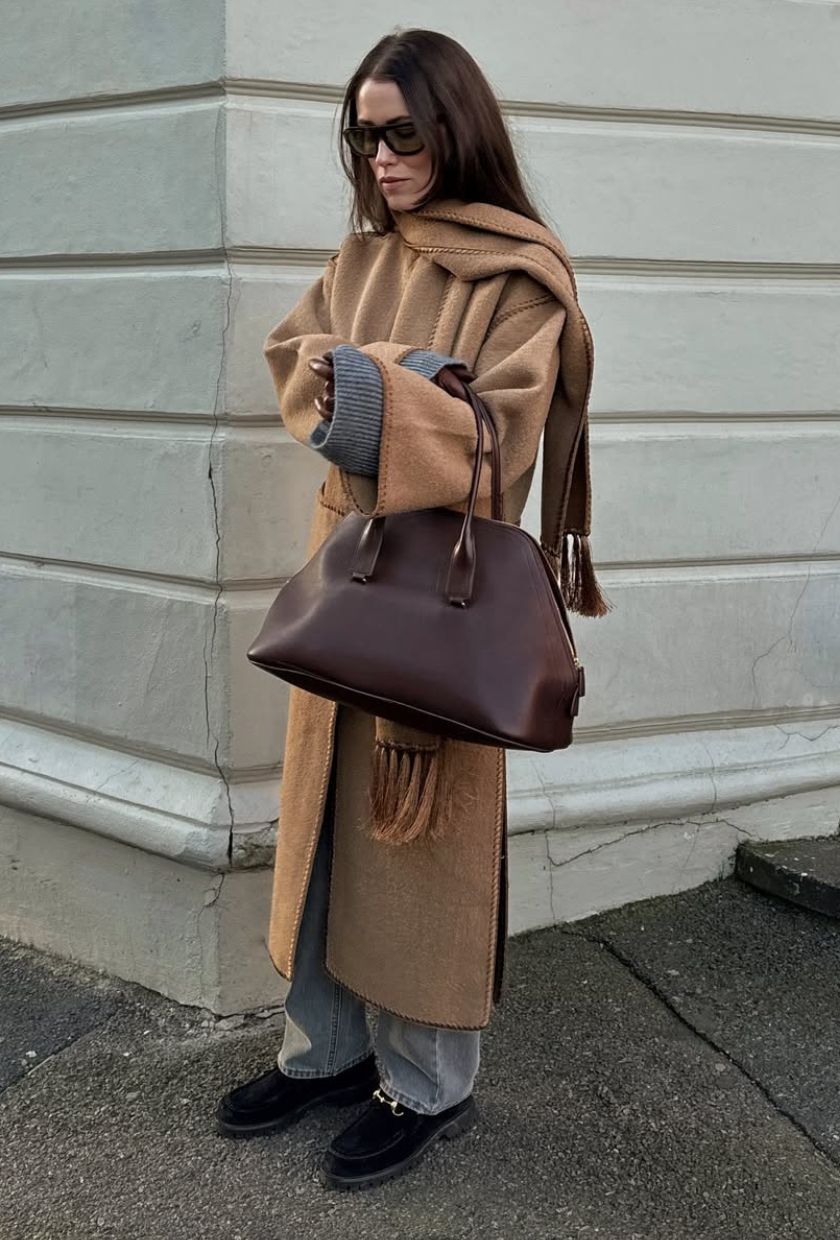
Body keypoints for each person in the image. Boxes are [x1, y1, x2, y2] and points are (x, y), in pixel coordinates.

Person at [215, 27, 607, 1192]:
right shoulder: (362, 251)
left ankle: (425, 1083)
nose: (378, 157)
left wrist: (377, 382)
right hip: (347, 572)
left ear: (455, 129)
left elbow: (508, 429)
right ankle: (324, 1050)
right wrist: (390, 372)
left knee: (421, 834)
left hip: (442, 590)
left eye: (401, 132)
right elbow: (299, 358)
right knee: (328, 818)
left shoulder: (520, 277)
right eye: (362, 133)